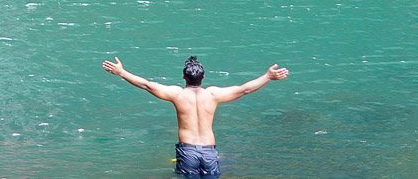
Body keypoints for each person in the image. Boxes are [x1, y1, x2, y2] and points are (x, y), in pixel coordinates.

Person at [100, 54, 288, 176]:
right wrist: (268, 77)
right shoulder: (213, 95)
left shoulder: (177, 94)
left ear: (184, 78)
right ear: (203, 78)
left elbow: (147, 85)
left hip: (188, 150)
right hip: (208, 151)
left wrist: (122, 72)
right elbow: (244, 90)